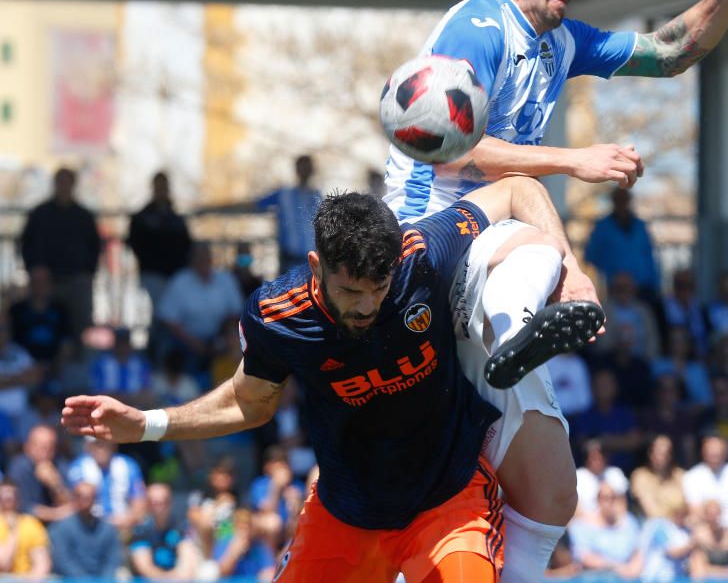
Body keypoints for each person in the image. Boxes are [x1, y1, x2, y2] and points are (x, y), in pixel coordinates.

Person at [383, 0, 728, 577]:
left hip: (495, 262)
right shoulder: (480, 26)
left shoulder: (559, 42)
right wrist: (576, 160)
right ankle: (515, 330)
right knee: (531, 214)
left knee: (552, 493)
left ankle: (513, 331)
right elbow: (447, 144)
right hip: (429, 241)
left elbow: (668, 51)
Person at [62, 176, 599, 581]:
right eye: (351, 292)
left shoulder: (419, 254)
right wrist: (148, 424)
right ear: (317, 265)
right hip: (345, 512)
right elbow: (250, 403)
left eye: (379, 288)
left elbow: (517, 189)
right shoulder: (277, 315)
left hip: (448, 502)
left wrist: (571, 269)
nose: (367, 306)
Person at [19, 167, 101, 339]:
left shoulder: (84, 216)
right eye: (60, 182)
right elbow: (25, 243)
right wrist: (34, 268)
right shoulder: (40, 213)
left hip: (77, 279)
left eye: (67, 182)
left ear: (73, 185)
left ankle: (77, 361)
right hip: (46, 280)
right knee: (45, 326)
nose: (63, 186)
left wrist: (88, 272)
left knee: (79, 324)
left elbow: (95, 247)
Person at [156, 242, 244, 374]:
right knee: (169, 348)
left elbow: (236, 313)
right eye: (199, 258)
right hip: (186, 339)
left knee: (239, 343)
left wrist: (221, 338)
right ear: (192, 260)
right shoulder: (180, 281)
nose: (203, 261)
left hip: (220, 337)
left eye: (206, 257)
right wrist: (195, 343)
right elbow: (168, 319)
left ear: (211, 259)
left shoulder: (226, 280)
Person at [127, 171, 193, 311]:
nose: (161, 190)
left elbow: (186, 245)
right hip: (151, 273)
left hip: (174, 275)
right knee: (158, 313)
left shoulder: (176, 219)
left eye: (164, 186)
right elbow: (135, 243)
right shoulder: (142, 218)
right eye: (159, 186)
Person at [584, 188, 660, 303]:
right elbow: (590, 255)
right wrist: (613, 271)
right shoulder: (602, 227)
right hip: (615, 288)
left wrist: (654, 283)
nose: (622, 203)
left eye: (625, 200)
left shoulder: (640, 226)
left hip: (642, 287)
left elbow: (649, 256)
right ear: (613, 201)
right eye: (619, 200)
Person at [257, 154, 323, 273]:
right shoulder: (284, 194)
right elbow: (258, 204)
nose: (305, 171)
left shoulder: (317, 196)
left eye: (307, 168)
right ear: (297, 170)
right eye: (302, 168)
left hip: (312, 259)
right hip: (289, 257)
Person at [67, 438, 147, 531]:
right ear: (88, 446)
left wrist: (127, 520)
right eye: (97, 444)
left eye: (106, 444)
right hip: (89, 528)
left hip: (125, 526)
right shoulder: (78, 468)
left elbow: (140, 502)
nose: (102, 449)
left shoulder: (129, 465)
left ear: (113, 445)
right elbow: (72, 504)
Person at [8, 266, 73, 376]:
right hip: (21, 369)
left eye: (43, 282)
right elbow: (8, 343)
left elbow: (67, 344)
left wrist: (55, 368)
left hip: (54, 368)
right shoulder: (16, 310)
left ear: (51, 284)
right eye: (35, 282)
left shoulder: (60, 310)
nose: (39, 286)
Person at [48, 481, 121, 578]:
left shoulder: (108, 529)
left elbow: (112, 560)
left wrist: (103, 580)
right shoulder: (61, 528)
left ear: (95, 499)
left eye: (89, 497)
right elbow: (63, 560)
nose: (85, 501)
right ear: (74, 498)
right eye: (80, 497)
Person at [567, 481, 640, 574]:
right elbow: (583, 556)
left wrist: (633, 570)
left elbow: (638, 552)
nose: (610, 502)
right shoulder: (582, 525)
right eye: (606, 498)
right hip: (595, 576)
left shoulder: (628, 522)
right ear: (598, 500)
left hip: (626, 576)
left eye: (613, 498)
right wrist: (615, 567)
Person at [683, 435, 728, 533]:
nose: (715, 453)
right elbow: (696, 512)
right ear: (703, 452)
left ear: (725, 452)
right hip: (706, 531)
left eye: (718, 451)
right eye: (711, 450)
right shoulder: (692, 476)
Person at [130, 482, 199, 580]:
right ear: (147, 505)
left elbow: (187, 561)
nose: (160, 508)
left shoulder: (181, 526)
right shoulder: (141, 530)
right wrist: (166, 579)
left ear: (170, 503)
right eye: (154, 503)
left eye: (164, 502)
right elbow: (145, 568)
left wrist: (176, 578)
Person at [6, 425, 72, 524]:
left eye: (51, 448)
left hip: (57, 526)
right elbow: (23, 507)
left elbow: (71, 504)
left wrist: (55, 484)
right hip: (27, 525)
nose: (46, 453)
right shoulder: (18, 468)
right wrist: (56, 514)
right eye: (42, 448)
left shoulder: (59, 464)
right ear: (27, 447)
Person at [687, 500, 728, 580]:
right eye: (711, 515)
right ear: (705, 515)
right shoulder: (699, 536)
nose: (714, 518)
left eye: (717, 514)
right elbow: (698, 573)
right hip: (720, 572)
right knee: (697, 555)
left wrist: (711, 570)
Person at [630, 434, 687, 522]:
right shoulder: (640, 476)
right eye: (657, 452)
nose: (661, 457)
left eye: (665, 453)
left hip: (680, 527)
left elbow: (688, 508)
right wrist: (675, 515)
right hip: (651, 526)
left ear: (671, 455)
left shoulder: (681, 476)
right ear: (650, 453)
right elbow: (651, 512)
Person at [0, 481, 51, 577]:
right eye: (4, 497)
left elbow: (41, 563)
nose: (9, 499)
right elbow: (3, 564)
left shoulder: (31, 524)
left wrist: (32, 579)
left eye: (12, 496)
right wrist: (13, 530)